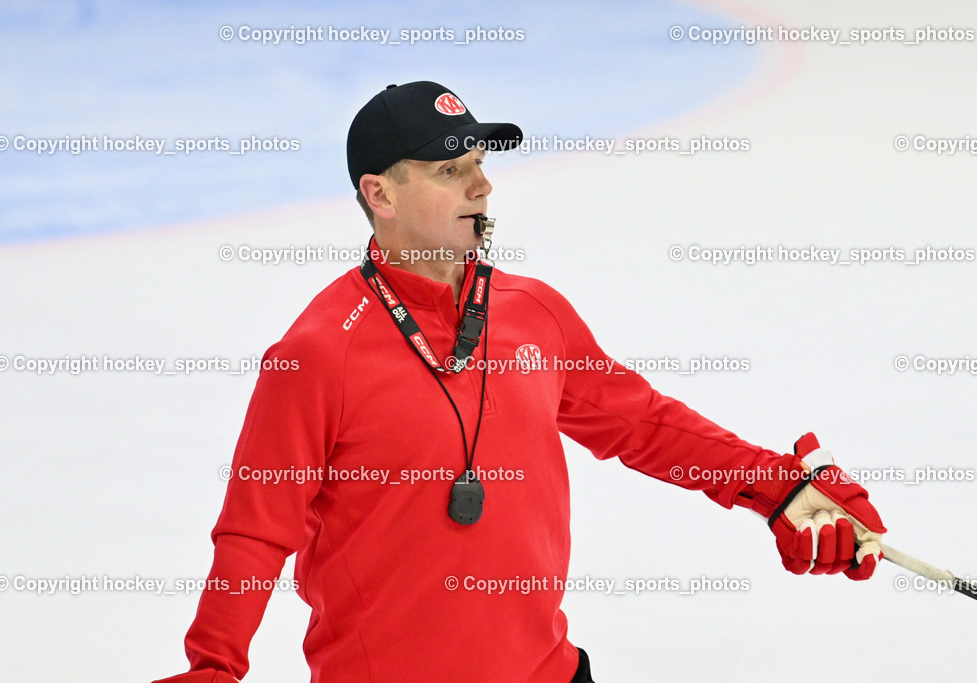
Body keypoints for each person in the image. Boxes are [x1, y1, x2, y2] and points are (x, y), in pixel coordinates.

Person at [153, 81, 886, 683]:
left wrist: (779, 486)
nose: (482, 183)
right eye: (450, 171)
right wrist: (214, 665)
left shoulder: (533, 315)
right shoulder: (317, 352)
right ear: (380, 194)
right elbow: (255, 530)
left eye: (478, 161)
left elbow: (643, 423)